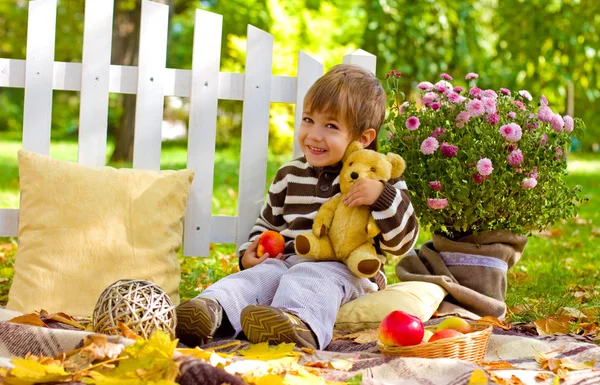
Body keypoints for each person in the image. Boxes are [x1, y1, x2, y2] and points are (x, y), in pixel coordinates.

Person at [175, 64, 419, 350]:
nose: (313, 135)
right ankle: (210, 312)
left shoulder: (379, 178)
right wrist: (250, 253)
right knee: (258, 278)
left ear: (362, 139)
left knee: (311, 277)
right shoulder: (290, 174)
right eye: (308, 120)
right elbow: (268, 225)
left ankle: (296, 325)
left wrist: (382, 196)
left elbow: (403, 242)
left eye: (330, 126)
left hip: (347, 272)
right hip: (289, 261)